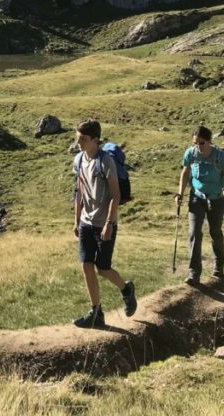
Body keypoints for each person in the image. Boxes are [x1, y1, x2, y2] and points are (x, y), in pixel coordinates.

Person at [71, 118, 138, 328]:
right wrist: (76, 220)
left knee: (103, 268)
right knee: (86, 265)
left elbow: (115, 195)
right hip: (86, 221)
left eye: (83, 139)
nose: (78, 142)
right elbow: (80, 191)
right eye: (77, 137)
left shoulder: (105, 161)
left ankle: (126, 289)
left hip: (104, 222)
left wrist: (109, 223)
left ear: (95, 140)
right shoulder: (79, 160)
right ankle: (96, 312)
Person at [175, 125, 224, 286]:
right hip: (197, 198)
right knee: (194, 232)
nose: (198, 147)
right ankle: (194, 273)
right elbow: (185, 173)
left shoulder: (220, 157)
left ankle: (219, 266)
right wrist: (180, 193)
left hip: (216, 198)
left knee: (215, 231)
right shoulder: (191, 154)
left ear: (209, 142)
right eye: (195, 143)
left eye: (201, 143)